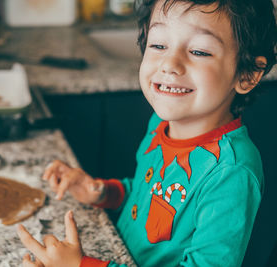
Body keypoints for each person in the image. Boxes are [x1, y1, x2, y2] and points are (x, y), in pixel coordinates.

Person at [17, 0, 277, 266]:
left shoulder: (231, 172)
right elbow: (149, 195)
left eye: (199, 51)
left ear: (247, 74)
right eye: (159, 45)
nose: (170, 64)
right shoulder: (161, 124)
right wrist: (104, 193)